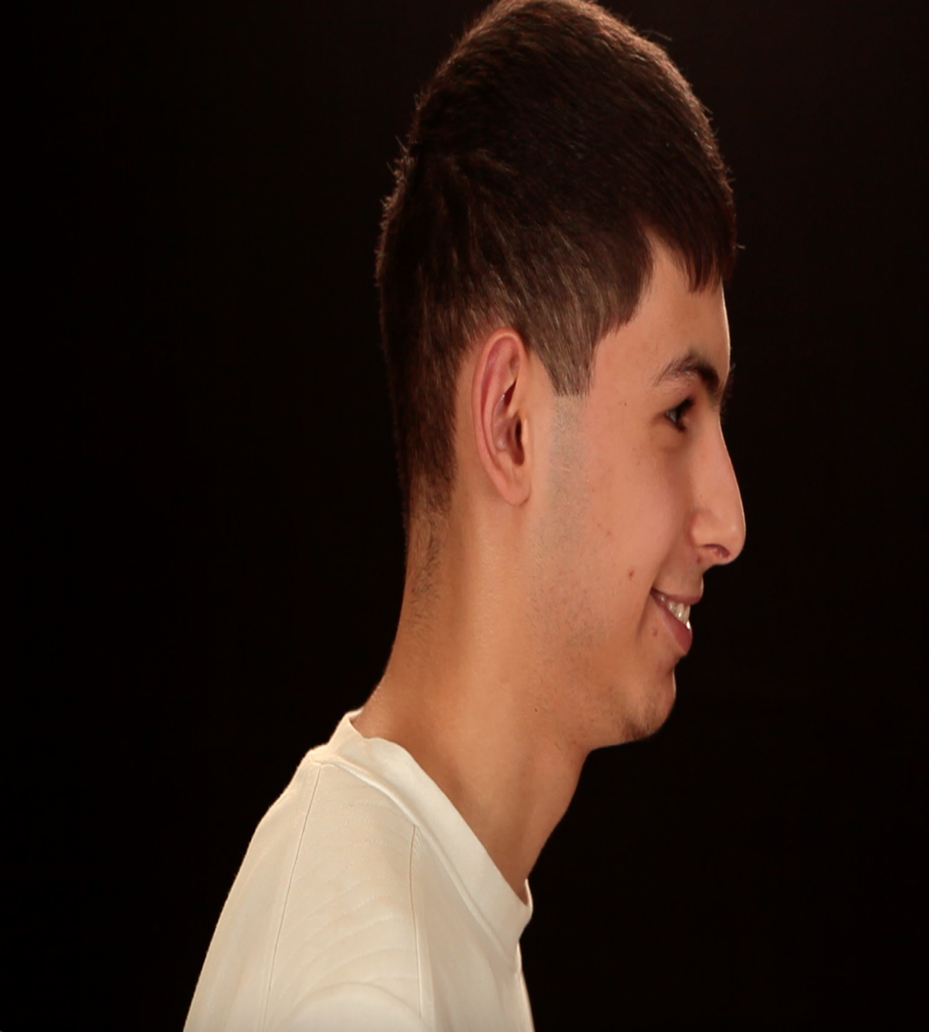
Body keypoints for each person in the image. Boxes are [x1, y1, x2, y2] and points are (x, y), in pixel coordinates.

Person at [184, 0, 745, 1028]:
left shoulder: (421, 907)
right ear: (509, 421)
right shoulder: (371, 994)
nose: (728, 521)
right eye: (678, 412)